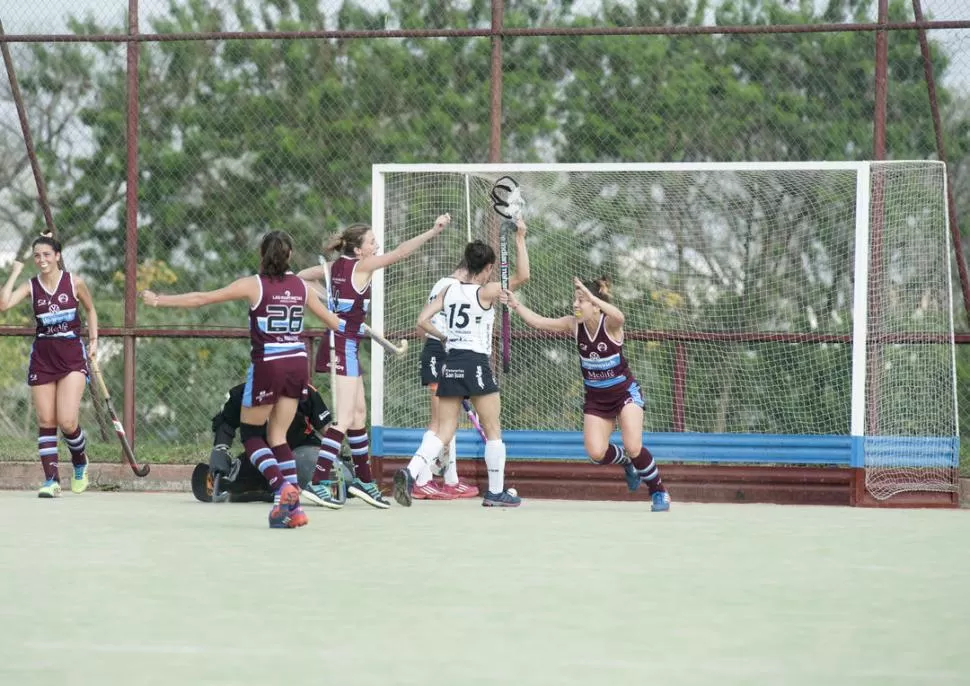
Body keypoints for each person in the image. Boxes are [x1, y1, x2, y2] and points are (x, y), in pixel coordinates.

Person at [141, 230, 345, 528]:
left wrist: (159, 299)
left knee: (251, 434)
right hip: (298, 364)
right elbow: (334, 322)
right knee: (279, 437)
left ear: (263, 254)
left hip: (269, 364)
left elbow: (202, 298)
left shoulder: (253, 285)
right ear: (289, 255)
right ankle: (291, 509)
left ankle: (281, 486)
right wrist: (354, 318)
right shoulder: (302, 288)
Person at [297, 213, 452, 510]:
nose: (376, 245)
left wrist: (329, 300)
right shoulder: (362, 266)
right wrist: (432, 231)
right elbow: (401, 252)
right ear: (358, 250)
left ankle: (364, 481)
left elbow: (303, 277)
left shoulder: (333, 268)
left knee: (357, 417)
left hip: (349, 345)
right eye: (371, 242)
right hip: (341, 346)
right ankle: (317, 483)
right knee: (343, 419)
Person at [501, 277, 671, 512]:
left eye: (581, 301)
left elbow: (621, 316)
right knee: (595, 453)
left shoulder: (610, 324)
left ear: (595, 305)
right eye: (575, 300)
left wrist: (592, 298)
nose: (575, 305)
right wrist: (515, 304)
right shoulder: (574, 325)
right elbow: (539, 322)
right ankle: (627, 463)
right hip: (597, 399)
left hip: (625, 394)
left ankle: (658, 492)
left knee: (634, 446)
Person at [393, 218, 530, 508]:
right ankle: (495, 492)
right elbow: (524, 276)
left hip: (450, 362)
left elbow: (421, 321)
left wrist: (445, 336)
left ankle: (411, 472)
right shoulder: (488, 291)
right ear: (489, 268)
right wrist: (520, 239)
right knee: (493, 429)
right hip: (476, 363)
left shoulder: (449, 290)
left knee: (444, 429)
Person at [0, 233, 98, 498]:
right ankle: (51, 480)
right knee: (46, 420)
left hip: (71, 357)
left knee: (67, 421)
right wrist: (14, 273)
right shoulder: (32, 286)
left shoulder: (74, 282)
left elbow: (90, 310)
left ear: (57, 256)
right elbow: (3, 305)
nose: (41, 260)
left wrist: (94, 340)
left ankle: (79, 462)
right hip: (43, 357)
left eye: (46, 254)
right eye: (37, 256)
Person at [191, 382, 353, 503]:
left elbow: (327, 429)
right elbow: (225, 423)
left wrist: (338, 448)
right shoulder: (243, 393)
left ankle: (276, 488)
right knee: (228, 482)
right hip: (262, 456)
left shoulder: (304, 391)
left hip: (302, 449)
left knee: (346, 480)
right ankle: (263, 487)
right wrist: (220, 448)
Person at [413, 261, 481, 500]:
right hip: (440, 350)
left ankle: (450, 480)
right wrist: (443, 341)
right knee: (439, 422)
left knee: (449, 422)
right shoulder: (455, 287)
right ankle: (421, 481)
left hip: (441, 350)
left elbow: (422, 324)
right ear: (469, 272)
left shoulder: (441, 283)